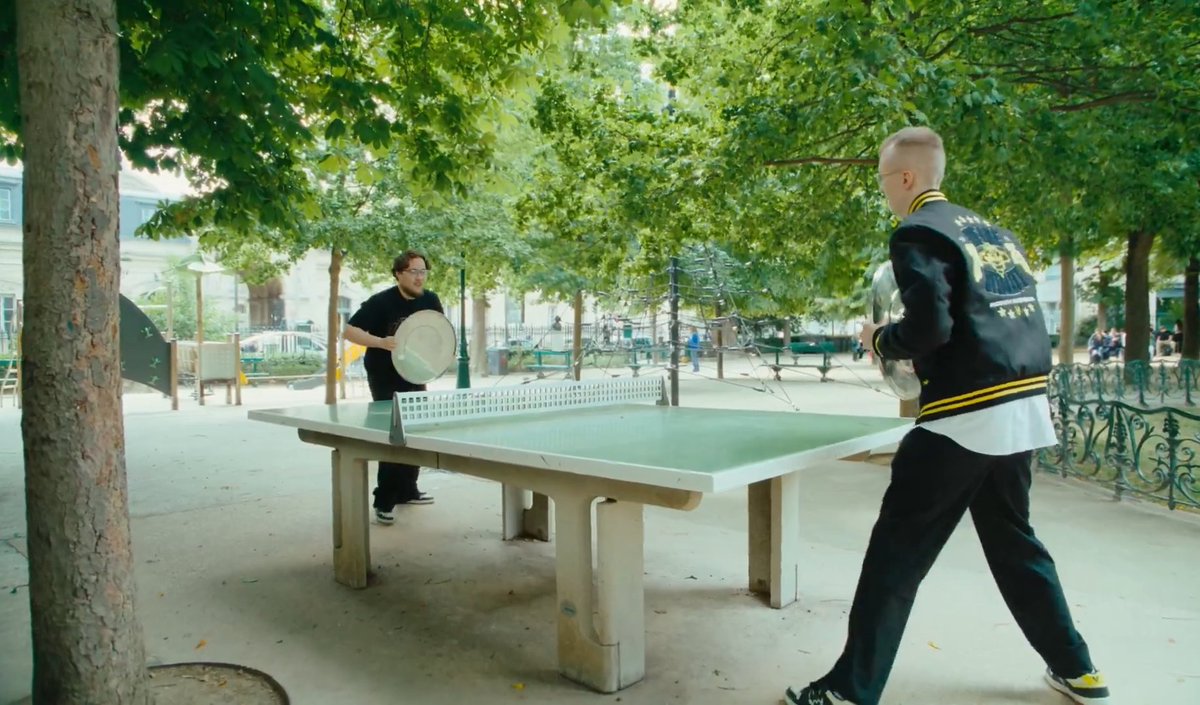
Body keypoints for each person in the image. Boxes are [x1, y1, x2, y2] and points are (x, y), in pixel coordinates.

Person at [785, 127, 1108, 705]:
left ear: (906, 177)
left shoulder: (917, 232)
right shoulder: (994, 233)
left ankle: (848, 693)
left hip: (965, 413)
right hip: (1023, 409)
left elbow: (930, 328)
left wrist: (879, 338)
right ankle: (1079, 670)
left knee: (896, 554)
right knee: (1016, 546)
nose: (884, 191)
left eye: (883, 179)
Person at [343, 251, 443, 524]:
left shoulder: (431, 300)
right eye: (414, 271)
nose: (420, 277)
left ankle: (408, 490)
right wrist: (380, 342)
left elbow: (436, 334)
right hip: (384, 374)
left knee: (415, 429)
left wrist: (435, 359)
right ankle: (384, 499)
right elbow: (350, 331)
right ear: (399, 274)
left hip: (415, 371)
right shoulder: (381, 302)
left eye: (423, 271)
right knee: (393, 433)